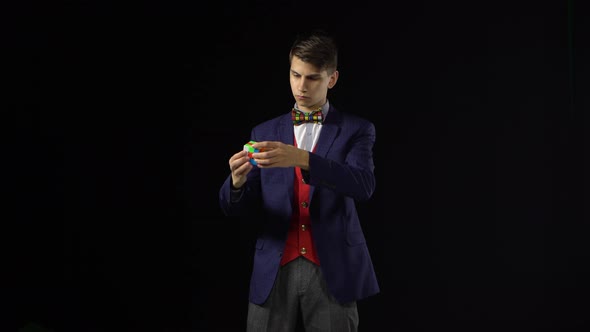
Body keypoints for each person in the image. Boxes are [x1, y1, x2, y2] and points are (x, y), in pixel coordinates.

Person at [219, 29, 380, 332]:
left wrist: (303, 159)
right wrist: (237, 182)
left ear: (331, 79)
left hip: (333, 267)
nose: (301, 86)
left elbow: (363, 185)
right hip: (274, 265)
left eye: (312, 78)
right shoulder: (263, 131)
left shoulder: (357, 129)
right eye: (295, 75)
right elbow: (236, 209)